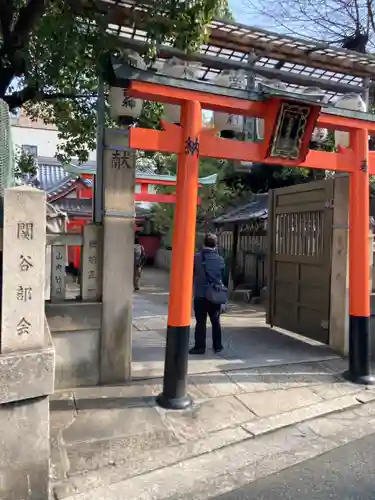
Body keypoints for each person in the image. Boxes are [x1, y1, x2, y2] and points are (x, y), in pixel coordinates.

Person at [190, 233, 225, 355]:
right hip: (215, 295)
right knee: (216, 321)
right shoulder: (220, 259)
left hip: (200, 294)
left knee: (200, 322)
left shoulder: (196, 258)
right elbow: (223, 278)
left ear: (203, 243)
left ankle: (199, 347)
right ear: (216, 245)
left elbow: (191, 275)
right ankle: (218, 346)